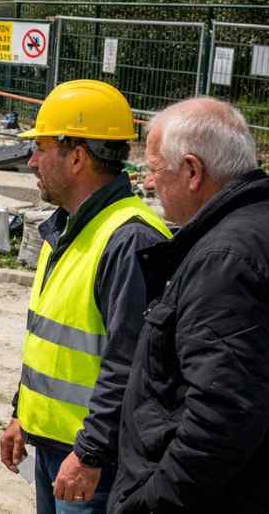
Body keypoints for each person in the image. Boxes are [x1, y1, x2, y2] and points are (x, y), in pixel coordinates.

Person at [0, 80, 170, 514]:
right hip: (55, 446)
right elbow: (49, 340)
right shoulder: (68, 227)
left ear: (76, 157)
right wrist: (22, 413)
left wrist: (90, 454)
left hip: (94, 463)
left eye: (40, 148)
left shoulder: (129, 239)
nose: (31, 161)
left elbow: (129, 363)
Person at [110, 98, 269, 514]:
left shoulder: (225, 260)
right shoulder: (252, 230)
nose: (147, 183)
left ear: (193, 171)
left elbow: (220, 419)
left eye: (154, 168)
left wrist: (147, 504)